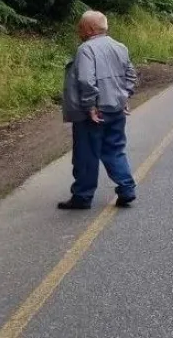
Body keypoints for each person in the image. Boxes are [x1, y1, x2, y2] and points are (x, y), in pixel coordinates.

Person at [58, 11, 138, 210]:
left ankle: (82, 196)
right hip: (116, 110)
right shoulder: (120, 47)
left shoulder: (86, 49)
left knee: (86, 155)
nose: (78, 31)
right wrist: (124, 96)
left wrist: (90, 106)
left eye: (81, 27)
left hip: (93, 113)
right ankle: (127, 189)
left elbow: (86, 80)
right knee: (115, 149)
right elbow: (131, 75)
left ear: (91, 29)